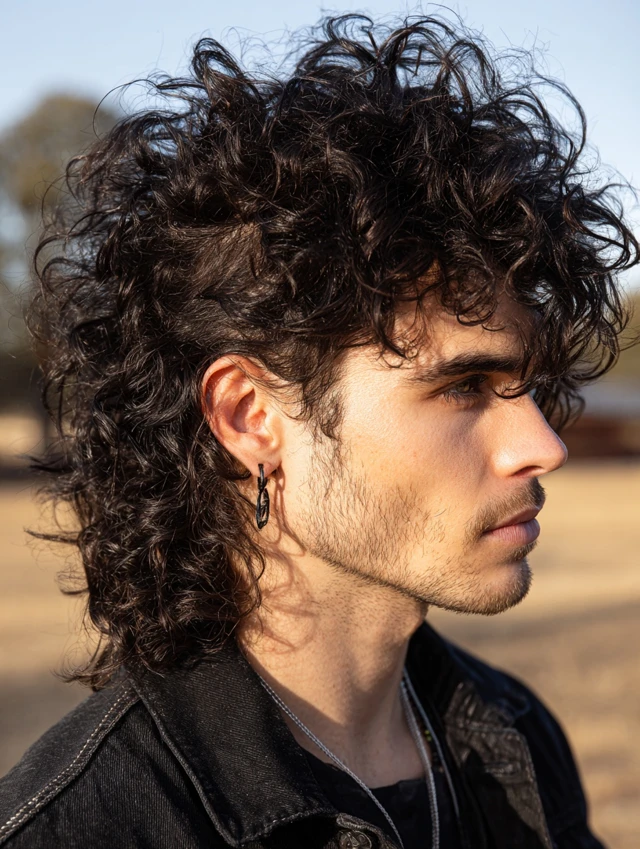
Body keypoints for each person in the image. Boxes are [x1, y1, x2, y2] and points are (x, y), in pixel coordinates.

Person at [0, 14, 636, 849]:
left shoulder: (513, 743)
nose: (544, 444)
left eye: (528, 385)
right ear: (250, 416)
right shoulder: (87, 828)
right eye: (463, 386)